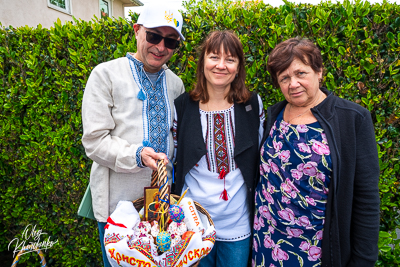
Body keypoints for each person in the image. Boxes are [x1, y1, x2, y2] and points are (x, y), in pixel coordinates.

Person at [252, 37, 380, 267]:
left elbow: (367, 200)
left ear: (319, 72)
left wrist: (363, 261)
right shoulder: (273, 116)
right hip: (266, 244)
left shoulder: (352, 119)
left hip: (316, 251)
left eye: (301, 73)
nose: (293, 83)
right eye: (284, 78)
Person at [81, 5, 185, 266]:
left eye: (170, 41)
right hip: (118, 206)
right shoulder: (106, 75)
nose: (161, 47)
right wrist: (137, 155)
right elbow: (94, 141)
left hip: (161, 205)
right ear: (137, 31)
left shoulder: (176, 84)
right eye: (154, 36)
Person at [173, 30, 265, 267]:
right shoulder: (182, 106)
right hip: (193, 225)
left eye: (230, 59)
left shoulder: (253, 105)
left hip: (238, 223)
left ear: (238, 67)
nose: (221, 65)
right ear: (203, 61)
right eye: (214, 57)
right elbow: (175, 158)